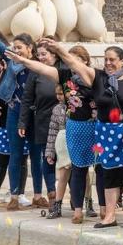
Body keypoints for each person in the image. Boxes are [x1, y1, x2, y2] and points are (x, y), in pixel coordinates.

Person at [43, 40, 123, 228]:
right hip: (105, 133)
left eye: (112, 59)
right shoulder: (99, 78)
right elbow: (75, 65)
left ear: (122, 61)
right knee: (108, 173)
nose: (108, 63)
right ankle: (109, 216)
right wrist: (59, 49)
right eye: (106, 59)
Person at [6, 45, 106, 223]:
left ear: (84, 62)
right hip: (75, 127)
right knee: (77, 169)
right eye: (68, 61)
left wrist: (60, 50)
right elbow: (42, 68)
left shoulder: (94, 75)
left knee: (100, 169)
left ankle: (104, 209)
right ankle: (77, 210)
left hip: (96, 128)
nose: (70, 64)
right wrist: (23, 61)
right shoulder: (66, 76)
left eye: (73, 60)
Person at [18, 39, 59, 210]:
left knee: (66, 161)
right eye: (39, 54)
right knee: (47, 159)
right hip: (43, 121)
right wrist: (22, 122)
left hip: (65, 122)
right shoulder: (35, 72)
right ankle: (52, 196)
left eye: (44, 54)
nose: (40, 58)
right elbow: (27, 99)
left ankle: (74, 200)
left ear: (54, 55)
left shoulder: (62, 70)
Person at [0, 33, 31, 210]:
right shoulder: (11, 59)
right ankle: (13, 195)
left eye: (20, 47)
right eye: (14, 47)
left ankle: (26, 194)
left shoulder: (35, 64)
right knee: (14, 153)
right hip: (13, 110)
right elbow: (0, 47)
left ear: (29, 49)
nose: (16, 50)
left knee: (29, 155)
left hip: (30, 114)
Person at [44, 84, 70, 219]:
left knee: (83, 177)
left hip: (77, 142)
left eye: (61, 94)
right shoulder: (56, 109)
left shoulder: (78, 106)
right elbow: (52, 132)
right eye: (57, 94)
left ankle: (87, 203)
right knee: (62, 176)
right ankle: (57, 206)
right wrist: (50, 152)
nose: (59, 97)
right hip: (63, 146)